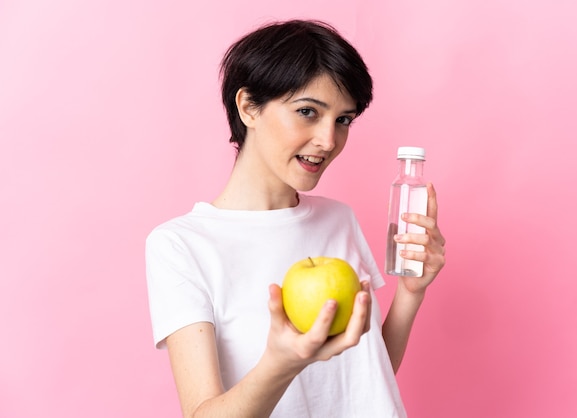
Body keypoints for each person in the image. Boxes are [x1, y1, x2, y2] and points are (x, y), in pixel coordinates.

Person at [145, 19, 446, 418]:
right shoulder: (181, 245)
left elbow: (368, 379)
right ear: (248, 106)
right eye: (308, 112)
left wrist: (411, 293)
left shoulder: (338, 221)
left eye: (343, 119)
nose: (328, 140)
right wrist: (282, 362)